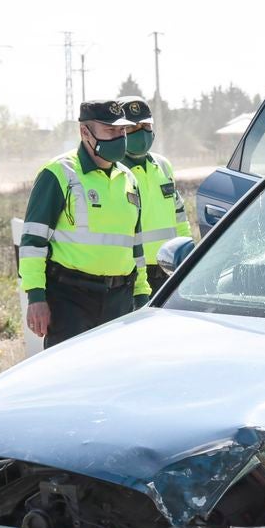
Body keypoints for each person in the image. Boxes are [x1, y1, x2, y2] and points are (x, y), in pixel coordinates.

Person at [19, 100, 150, 348]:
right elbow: (33, 241)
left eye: (122, 131)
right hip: (71, 300)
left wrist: (142, 294)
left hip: (120, 301)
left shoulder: (128, 179)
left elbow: (136, 245)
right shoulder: (58, 173)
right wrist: (36, 296)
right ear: (85, 132)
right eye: (110, 131)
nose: (120, 137)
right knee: (70, 378)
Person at [116, 95, 192, 290]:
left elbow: (179, 216)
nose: (141, 133)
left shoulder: (163, 166)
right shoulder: (113, 171)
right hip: (131, 275)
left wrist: (188, 253)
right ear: (120, 131)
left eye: (146, 126)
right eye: (133, 128)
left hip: (169, 270)